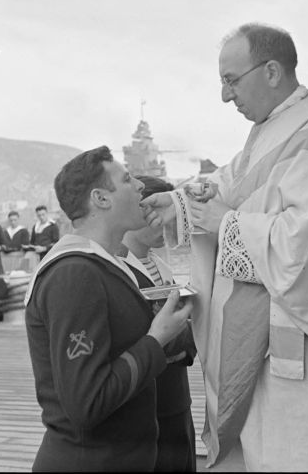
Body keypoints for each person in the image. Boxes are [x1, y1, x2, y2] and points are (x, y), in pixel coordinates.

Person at [143, 23, 308, 472]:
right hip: (262, 329)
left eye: (231, 80)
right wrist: (176, 203)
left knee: (303, 452)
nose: (225, 96)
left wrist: (225, 224)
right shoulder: (275, 126)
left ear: (271, 71)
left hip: (297, 340)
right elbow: (231, 182)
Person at [24, 146, 193, 472]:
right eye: (128, 179)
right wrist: (156, 340)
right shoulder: (75, 273)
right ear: (101, 199)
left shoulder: (106, 264)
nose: (141, 187)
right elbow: (87, 402)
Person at [120, 175, 197, 472]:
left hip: (176, 397)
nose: (169, 223)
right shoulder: (120, 271)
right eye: (162, 214)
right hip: (148, 404)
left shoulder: (161, 265)